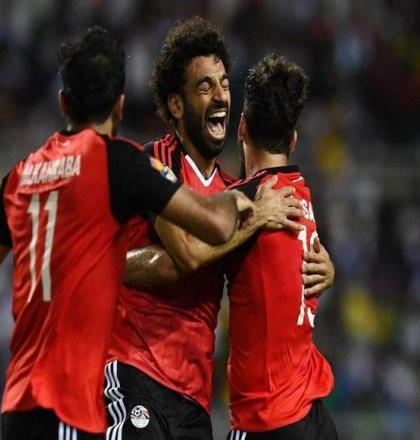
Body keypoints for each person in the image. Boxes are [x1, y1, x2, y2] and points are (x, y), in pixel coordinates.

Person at [0, 26, 262, 440]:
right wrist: (247, 203)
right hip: (73, 401)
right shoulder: (122, 164)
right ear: (120, 105)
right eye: (206, 86)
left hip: (19, 404)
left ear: (63, 102)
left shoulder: (20, 177)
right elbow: (213, 230)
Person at [105, 18, 334, 440]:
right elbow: (181, 256)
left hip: (193, 396)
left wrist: (325, 265)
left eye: (225, 84)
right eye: (205, 87)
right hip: (138, 370)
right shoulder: (156, 163)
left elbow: (276, 267)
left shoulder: (235, 192)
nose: (221, 96)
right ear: (177, 105)